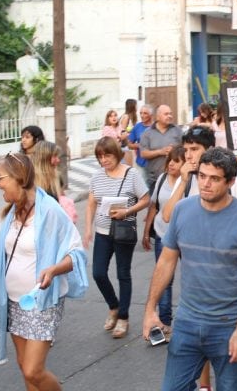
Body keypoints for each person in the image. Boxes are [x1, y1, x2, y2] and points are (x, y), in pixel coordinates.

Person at [142, 148, 237, 390]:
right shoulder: (182, 210)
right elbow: (166, 262)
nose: (205, 184)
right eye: (202, 175)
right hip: (187, 322)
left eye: (214, 178)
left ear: (231, 181)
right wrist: (149, 310)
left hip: (227, 325)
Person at [0, 152, 88, 390]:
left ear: (19, 178)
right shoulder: (8, 214)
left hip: (42, 302)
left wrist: (53, 269)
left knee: (33, 370)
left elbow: (77, 254)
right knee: (25, 369)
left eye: (0, 178)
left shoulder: (50, 210)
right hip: (14, 301)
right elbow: (2, 263)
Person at [84, 137, 150, 338]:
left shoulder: (131, 175)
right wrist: (88, 229)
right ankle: (113, 306)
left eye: (107, 155)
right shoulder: (96, 177)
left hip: (122, 231)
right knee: (98, 273)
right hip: (102, 232)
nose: (104, 160)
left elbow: (146, 199)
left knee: (123, 274)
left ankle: (123, 317)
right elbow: (90, 204)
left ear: (116, 154)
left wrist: (127, 211)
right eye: (100, 157)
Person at [142, 145, 185, 328]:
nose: (172, 164)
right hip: (162, 234)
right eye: (170, 160)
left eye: (177, 161)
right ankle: (165, 322)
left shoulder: (188, 183)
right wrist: (146, 231)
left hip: (184, 236)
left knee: (189, 276)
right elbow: (154, 206)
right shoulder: (161, 179)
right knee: (164, 279)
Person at [140, 105, 183, 190]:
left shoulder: (177, 131)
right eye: (166, 114)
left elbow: (185, 149)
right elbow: (143, 153)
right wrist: (160, 152)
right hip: (154, 180)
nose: (169, 116)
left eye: (170, 114)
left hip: (175, 178)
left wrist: (174, 150)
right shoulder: (147, 133)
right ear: (158, 117)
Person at [127, 104, 154, 181]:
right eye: (141, 113)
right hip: (141, 163)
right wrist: (139, 145)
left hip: (155, 164)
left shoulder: (156, 126)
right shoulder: (137, 127)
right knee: (143, 188)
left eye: (145, 113)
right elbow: (129, 144)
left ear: (151, 115)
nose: (142, 115)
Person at [119, 99, 139, 167]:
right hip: (125, 147)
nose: (137, 107)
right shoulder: (126, 117)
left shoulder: (130, 117)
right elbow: (122, 132)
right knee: (128, 168)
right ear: (132, 106)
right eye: (136, 105)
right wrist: (130, 131)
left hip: (128, 146)